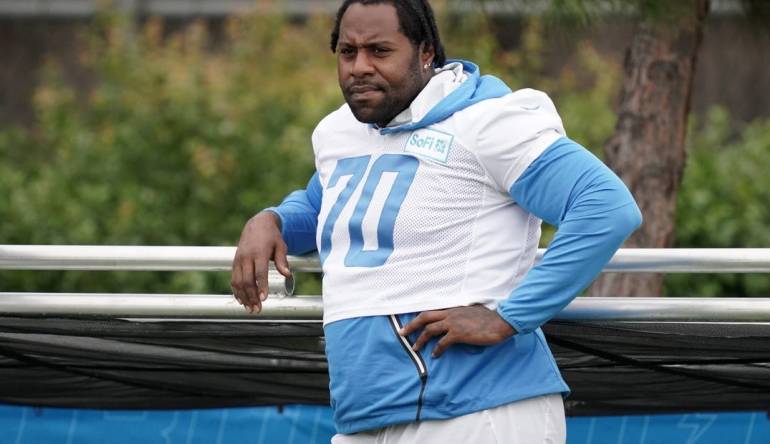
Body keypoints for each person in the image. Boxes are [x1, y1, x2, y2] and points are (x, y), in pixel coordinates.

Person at [231, 0, 642, 442]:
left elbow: (605, 206)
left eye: (379, 51)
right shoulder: (339, 133)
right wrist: (270, 220)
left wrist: (507, 318)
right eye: (347, 52)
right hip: (369, 415)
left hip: (480, 409)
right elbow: (321, 206)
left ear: (426, 52)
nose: (359, 67)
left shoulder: (486, 120)